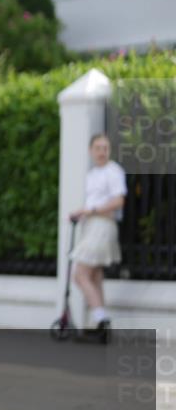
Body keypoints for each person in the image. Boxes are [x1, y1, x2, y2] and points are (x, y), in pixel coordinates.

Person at [68, 133, 127, 337]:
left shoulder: (113, 172)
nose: (102, 152)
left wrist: (90, 211)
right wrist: (81, 213)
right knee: (94, 275)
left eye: (105, 148)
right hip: (91, 226)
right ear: (90, 150)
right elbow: (92, 202)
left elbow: (118, 201)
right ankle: (99, 323)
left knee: (80, 274)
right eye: (98, 148)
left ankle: (101, 319)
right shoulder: (92, 174)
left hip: (103, 226)